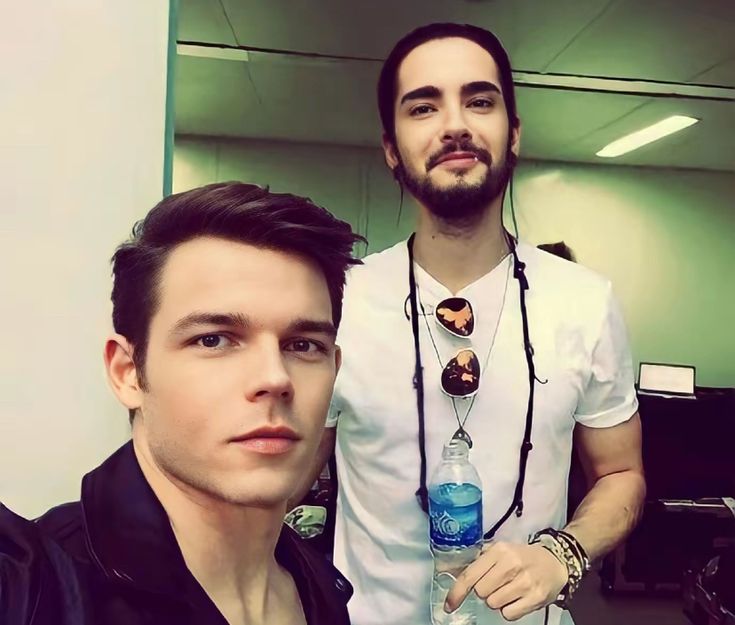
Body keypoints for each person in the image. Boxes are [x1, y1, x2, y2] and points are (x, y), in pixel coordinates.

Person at [296, 23, 646, 625]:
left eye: (479, 101)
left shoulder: (584, 300)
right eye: (424, 106)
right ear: (390, 147)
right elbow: (283, 475)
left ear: (512, 134)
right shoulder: (338, 300)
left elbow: (622, 474)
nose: (454, 123)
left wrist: (562, 553)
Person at [0, 182, 363, 625]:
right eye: (213, 339)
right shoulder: (36, 590)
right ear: (128, 372)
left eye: (304, 345)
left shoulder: (321, 586)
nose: (275, 377)